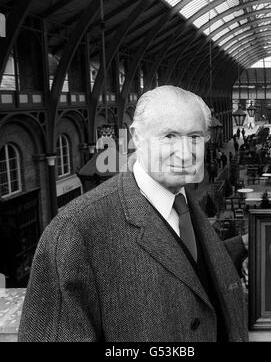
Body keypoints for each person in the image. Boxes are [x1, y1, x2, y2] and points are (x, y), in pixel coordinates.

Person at [19, 86, 248, 342]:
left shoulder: (183, 204)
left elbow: (187, 271)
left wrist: (243, 245)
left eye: (194, 137)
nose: (185, 154)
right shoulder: (76, 230)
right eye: (169, 136)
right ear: (137, 137)